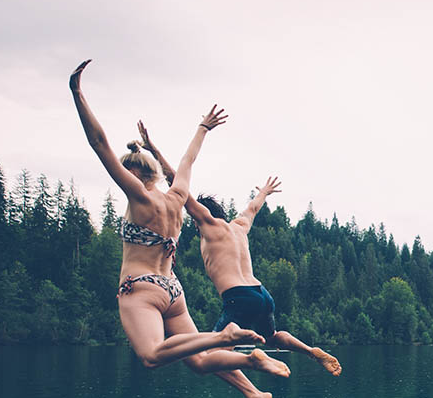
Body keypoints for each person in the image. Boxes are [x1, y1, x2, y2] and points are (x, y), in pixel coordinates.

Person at [69, 60, 291, 395]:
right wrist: (202, 128)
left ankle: (224, 337)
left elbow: (99, 143)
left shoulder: (140, 199)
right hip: (173, 291)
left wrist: (77, 93)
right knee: (201, 362)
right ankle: (252, 369)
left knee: (151, 355)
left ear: (132, 175)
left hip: (142, 288)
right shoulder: (176, 197)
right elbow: (187, 162)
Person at [138, 124, 342, 378]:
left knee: (209, 355)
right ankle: (311, 351)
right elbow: (253, 208)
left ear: (202, 214)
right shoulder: (239, 227)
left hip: (239, 297)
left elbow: (176, 182)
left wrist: (153, 150)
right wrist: (264, 193)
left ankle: (253, 359)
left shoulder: (209, 224)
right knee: (273, 337)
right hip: (262, 293)